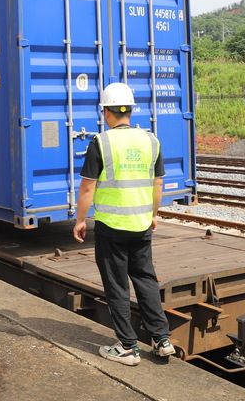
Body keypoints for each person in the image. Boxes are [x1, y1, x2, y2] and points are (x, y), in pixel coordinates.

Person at [73, 82, 175, 366]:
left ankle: (128, 347)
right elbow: (158, 184)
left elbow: (87, 188)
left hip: (112, 227)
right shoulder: (151, 140)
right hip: (141, 225)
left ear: (106, 112)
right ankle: (162, 339)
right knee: (145, 279)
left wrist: (80, 220)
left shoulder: (101, 142)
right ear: (130, 110)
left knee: (117, 285)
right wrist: (154, 213)